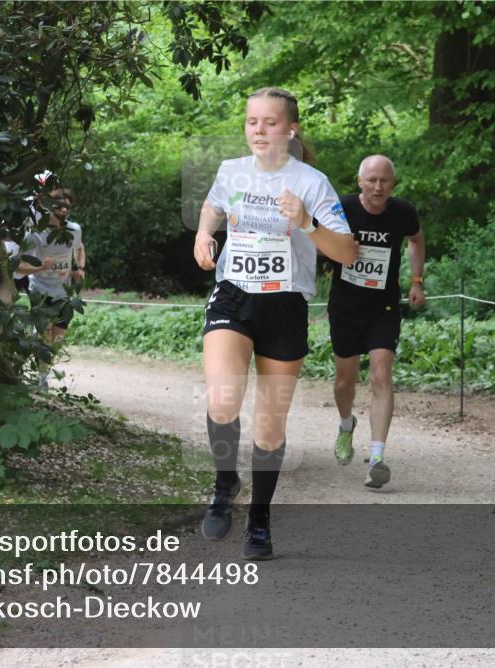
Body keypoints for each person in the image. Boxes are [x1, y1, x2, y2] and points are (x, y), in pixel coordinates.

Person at [193, 87, 357, 560]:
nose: (259, 131)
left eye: (269, 122)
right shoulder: (231, 171)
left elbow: (347, 253)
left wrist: (307, 223)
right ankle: (226, 482)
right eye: (251, 122)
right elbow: (212, 206)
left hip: (285, 306)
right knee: (223, 401)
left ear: (291, 129)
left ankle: (260, 518)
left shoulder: (312, 183)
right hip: (234, 295)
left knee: (268, 428)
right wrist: (205, 234)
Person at [326, 155, 425, 489]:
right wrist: (339, 250)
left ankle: (378, 456)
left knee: (381, 375)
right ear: (360, 181)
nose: (378, 187)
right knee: (345, 381)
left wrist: (416, 281)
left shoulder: (404, 212)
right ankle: (345, 425)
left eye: (384, 181)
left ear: (392, 184)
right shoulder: (342, 208)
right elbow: (317, 240)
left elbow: (416, 239)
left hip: (383, 308)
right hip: (345, 306)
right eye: (372, 180)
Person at [10, 173, 86, 391]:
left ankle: (40, 371)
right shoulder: (36, 233)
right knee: (45, 338)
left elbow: (79, 249)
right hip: (40, 289)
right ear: (49, 206)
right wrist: (42, 266)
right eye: (59, 206)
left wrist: (78, 269)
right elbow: (18, 266)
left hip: (64, 292)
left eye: (67, 208)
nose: (63, 211)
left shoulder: (74, 230)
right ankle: (40, 380)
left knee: (56, 340)